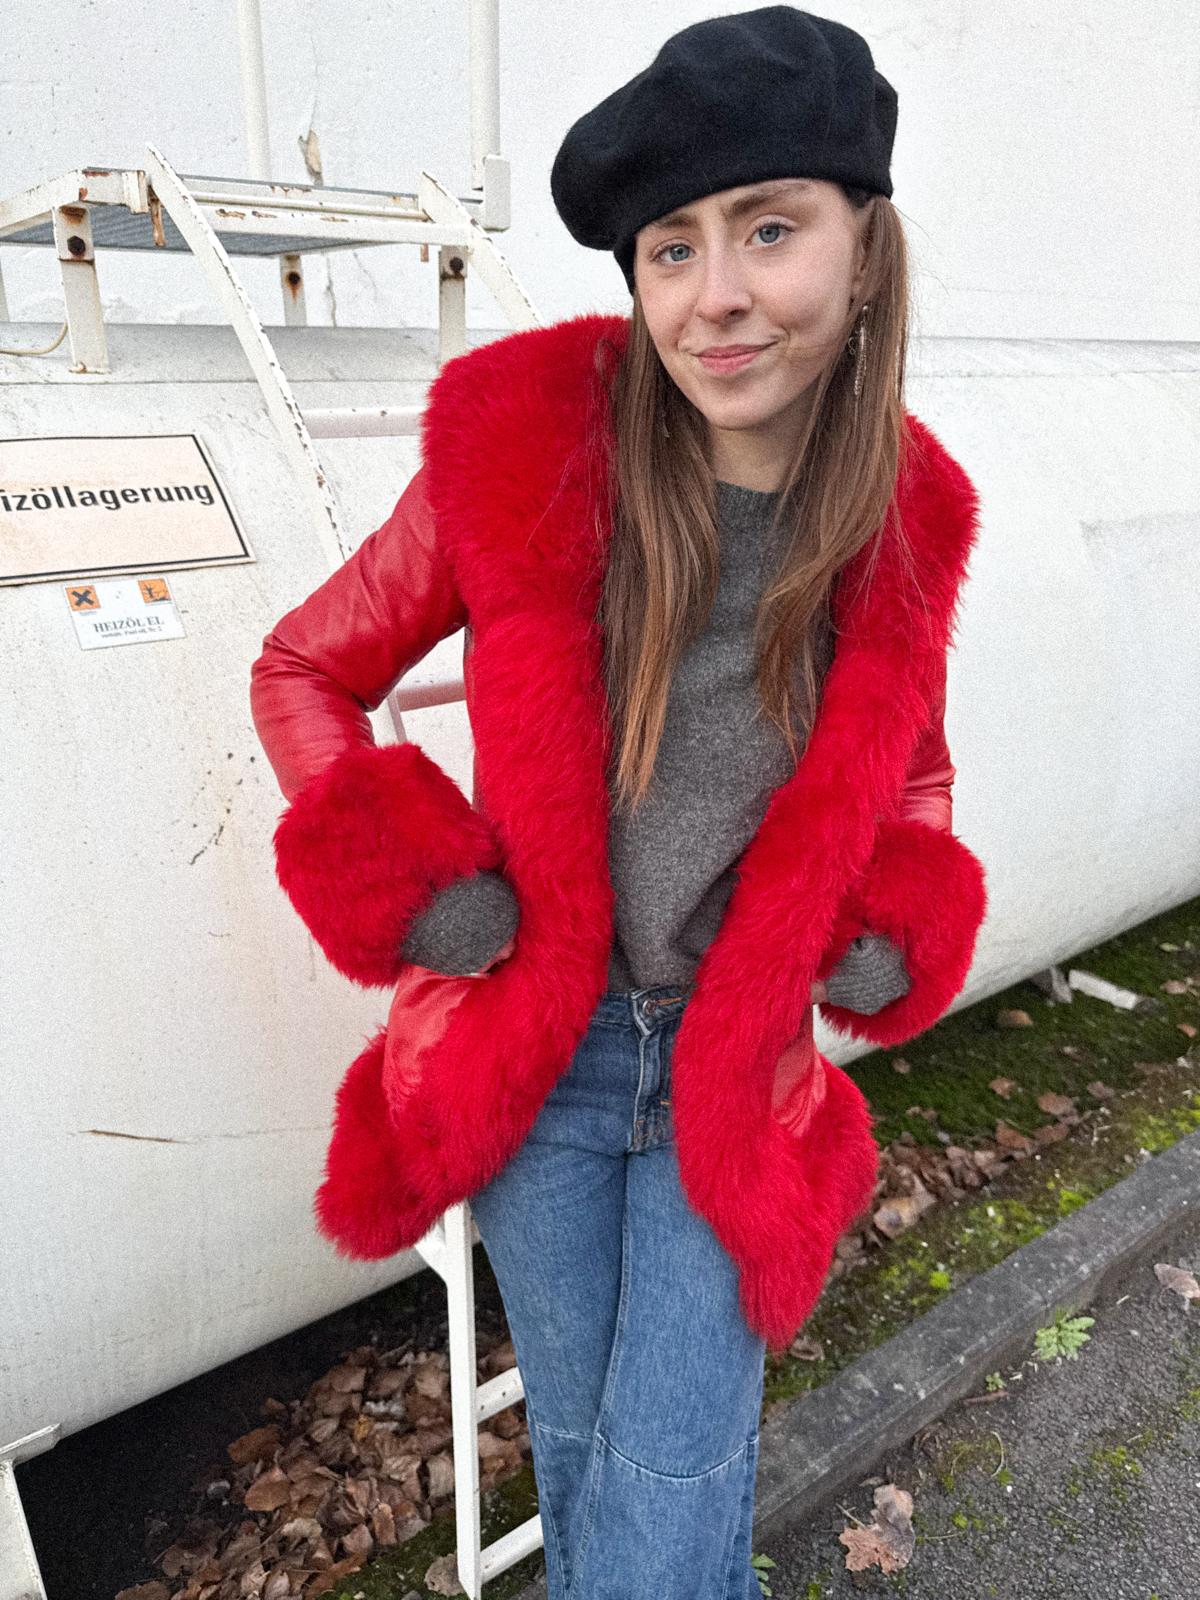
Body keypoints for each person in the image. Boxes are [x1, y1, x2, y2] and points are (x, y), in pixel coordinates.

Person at [249, 9, 988, 1596]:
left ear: (865, 254)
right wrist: (414, 873)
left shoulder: (903, 515)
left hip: (740, 1065)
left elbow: (910, 769)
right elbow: (304, 667)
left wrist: (897, 906)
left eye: (769, 230)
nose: (714, 296)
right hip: (542, 1051)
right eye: (670, 249)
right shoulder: (525, 442)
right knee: (593, 1455)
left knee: (664, 1473)